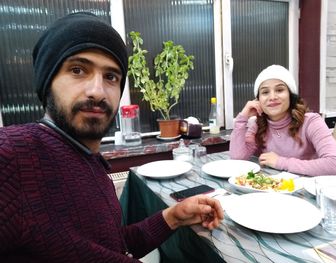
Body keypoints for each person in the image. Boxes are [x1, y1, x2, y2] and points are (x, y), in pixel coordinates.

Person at [0, 12, 224, 262]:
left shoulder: (89, 161)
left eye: (110, 76)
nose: (97, 91)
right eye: (77, 70)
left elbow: (112, 246)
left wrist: (172, 217)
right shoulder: (13, 153)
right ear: (47, 81)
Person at [229, 64, 336, 176]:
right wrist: (242, 118)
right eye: (265, 92)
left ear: (290, 95)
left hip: (307, 192)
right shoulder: (258, 125)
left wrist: (281, 162)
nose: (272, 97)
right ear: (258, 100)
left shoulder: (311, 122)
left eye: (279, 90)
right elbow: (237, 158)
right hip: (273, 190)